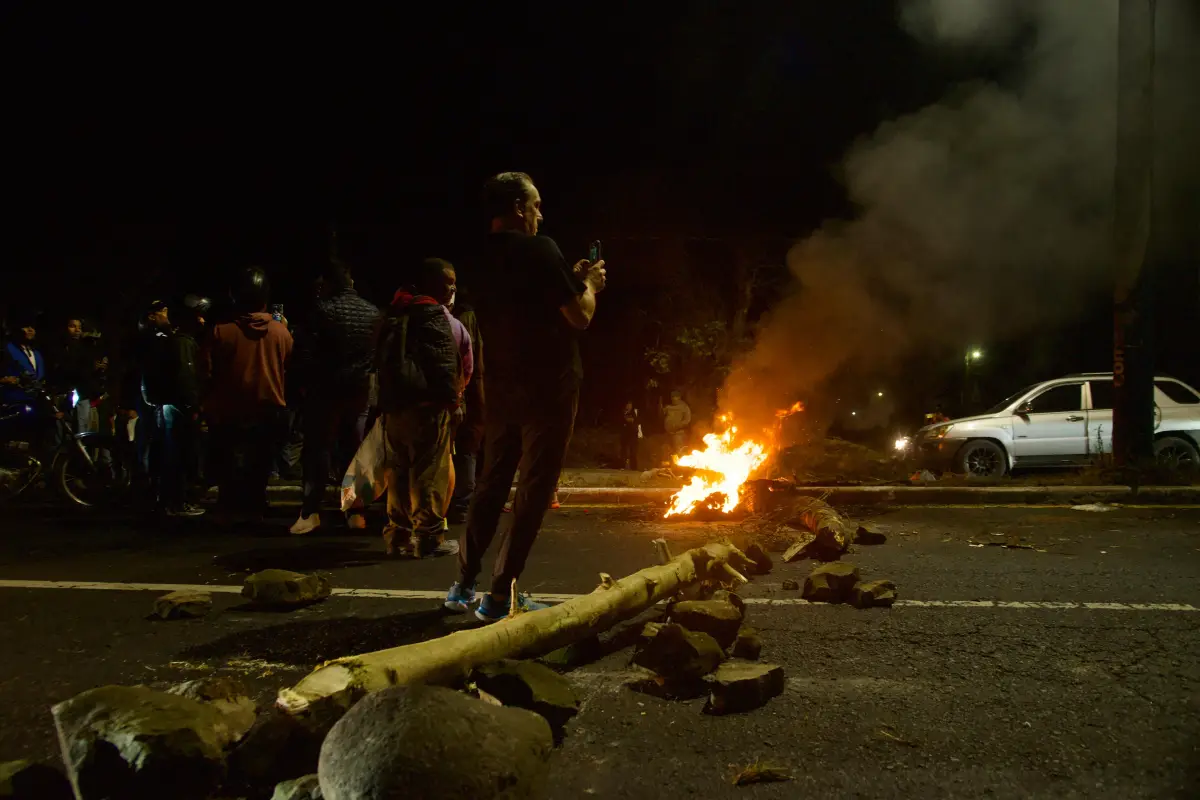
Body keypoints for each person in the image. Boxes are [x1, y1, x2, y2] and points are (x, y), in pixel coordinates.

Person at [450, 171, 606, 621]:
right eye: (535, 205)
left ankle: (463, 584)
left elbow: (530, 298)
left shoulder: (478, 256)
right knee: (534, 488)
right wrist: (590, 284)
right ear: (518, 207)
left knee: (491, 483)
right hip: (549, 387)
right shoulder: (540, 248)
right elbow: (579, 316)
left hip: (500, 386)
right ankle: (501, 596)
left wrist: (568, 278)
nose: (541, 213)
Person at [375, 258, 464, 558]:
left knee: (398, 472)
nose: (452, 288)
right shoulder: (431, 313)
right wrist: (452, 402)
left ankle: (398, 537)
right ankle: (428, 538)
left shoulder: (395, 311)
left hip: (394, 407)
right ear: (433, 283)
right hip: (426, 407)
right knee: (429, 473)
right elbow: (443, 362)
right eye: (448, 282)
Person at [290, 259, 382, 535]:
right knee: (355, 453)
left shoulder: (322, 311)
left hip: (325, 391)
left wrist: (302, 386)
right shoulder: (372, 312)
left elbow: (304, 355)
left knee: (318, 451)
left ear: (328, 284)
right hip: (359, 391)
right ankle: (356, 512)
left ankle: (311, 512)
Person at [204, 267, 293, 522]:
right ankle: (256, 503)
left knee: (227, 459)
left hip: (229, 408)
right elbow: (289, 363)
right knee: (261, 461)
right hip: (268, 407)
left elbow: (205, 370)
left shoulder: (220, 330)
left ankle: (229, 504)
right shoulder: (280, 331)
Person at [142, 296, 208, 517]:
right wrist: (194, 406)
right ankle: (176, 502)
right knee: (178, 455)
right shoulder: (181, 342)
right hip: (177, 407)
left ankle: (168, 501)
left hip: (170, 405)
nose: (202, 320)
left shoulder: (176, 340)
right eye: (197, 315)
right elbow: (185, 378)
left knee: (173, 454)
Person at [448, 294, 484, 524]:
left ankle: (460, 501)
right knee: (470, 448)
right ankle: (465, 501)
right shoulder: (470, 324)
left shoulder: (457, 323)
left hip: (465, 393)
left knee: (462, 449)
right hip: (474, 394)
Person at [2, 317, 45, 407]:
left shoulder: (37, 352)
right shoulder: (7, 349)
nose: (30, 330)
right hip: (14, 402)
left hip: (36, 402)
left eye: (32, 327)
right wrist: (5, 380)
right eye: (25, 327)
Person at [620, 400, 641, 470]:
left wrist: (640, 433)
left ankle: (634, 467)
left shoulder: (635, 412)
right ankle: (623, 466)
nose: (629, 406)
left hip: (633, 434)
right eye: (627, 405)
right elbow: (622, 421)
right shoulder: (623, 412)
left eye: (630, 405)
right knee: (624, 451)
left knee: (633, 451)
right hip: (625, 434)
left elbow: (637, 421)